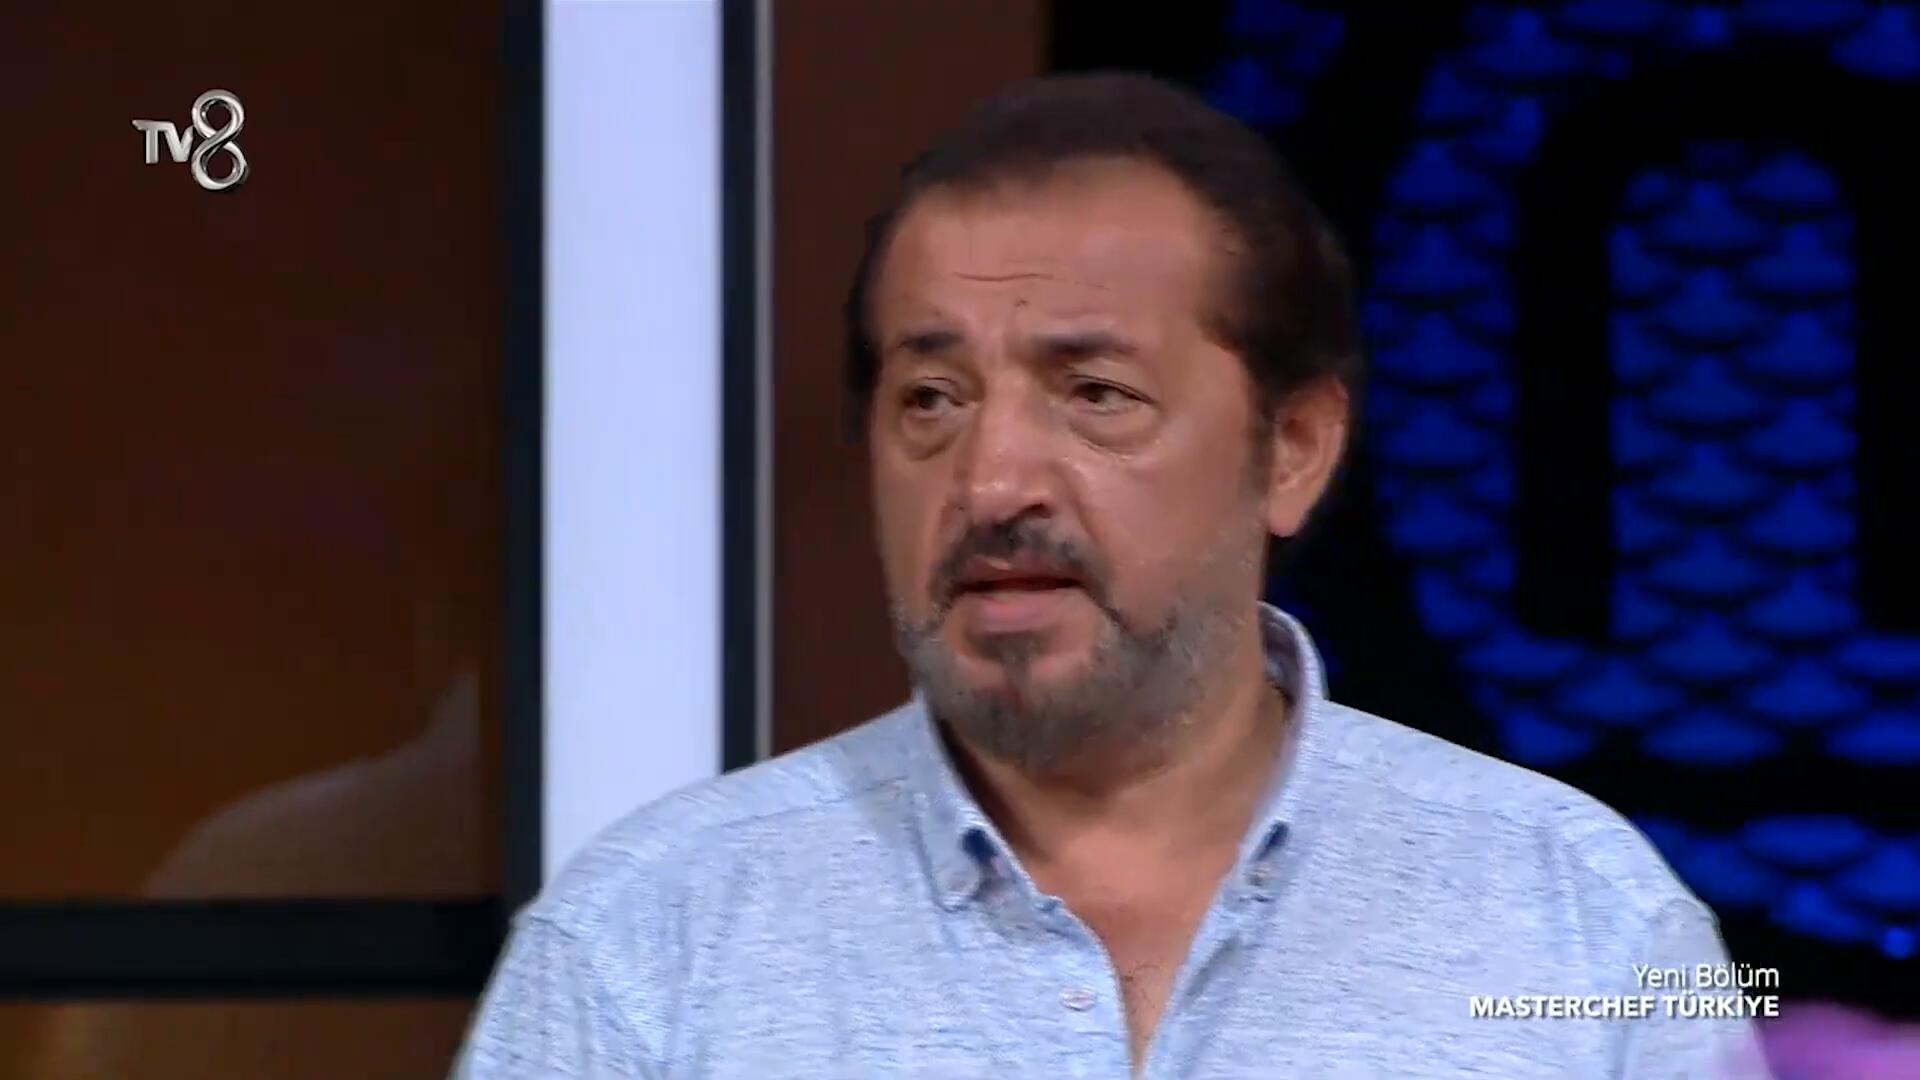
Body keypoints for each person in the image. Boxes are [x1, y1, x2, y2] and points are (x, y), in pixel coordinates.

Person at [454, 72, 1770, 1078]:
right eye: (931, 399)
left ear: (1293, 449)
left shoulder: (1585, 928)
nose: (991, 483)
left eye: (1094, 394)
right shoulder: (648, 944)